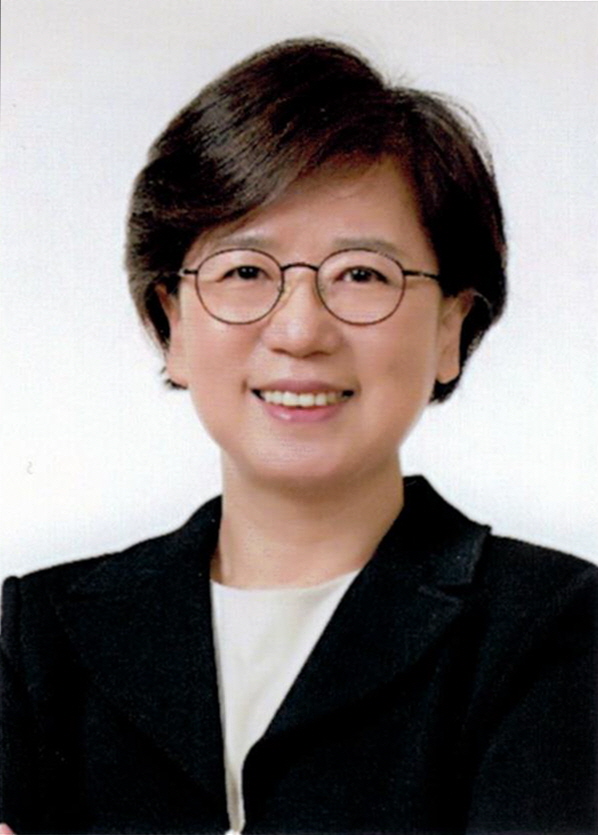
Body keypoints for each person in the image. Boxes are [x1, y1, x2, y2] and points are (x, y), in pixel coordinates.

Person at [0, 38, 596, 835]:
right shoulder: (40, 635)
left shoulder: (552, 627)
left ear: (451, 327)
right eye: (245, 271)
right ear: (171, 324)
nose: (300, 330)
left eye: (363, 274)